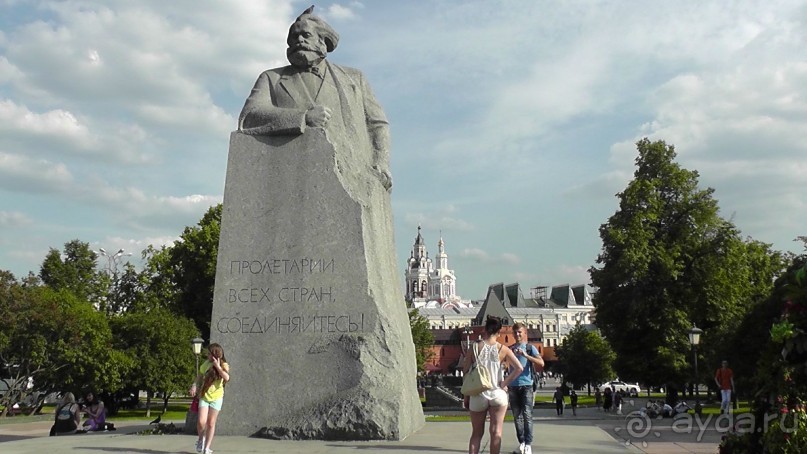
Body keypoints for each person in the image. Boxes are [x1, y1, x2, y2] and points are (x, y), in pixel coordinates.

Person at [238, 6, 392, 192]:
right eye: (293, 38)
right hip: (291, 179)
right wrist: (303, 117)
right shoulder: (271, 78)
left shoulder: (354, 79)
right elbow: (249, 116)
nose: (298, 40)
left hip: (353, 178)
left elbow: (376, 124)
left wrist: (381, 161)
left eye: (305, 35)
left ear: (322, 43)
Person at [463, 316, 523, 454]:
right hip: (497, 393)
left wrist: (466, 396)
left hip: (478, 393)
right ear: (499, 331)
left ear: (485, 329)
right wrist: (504, 383)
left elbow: (465, 372)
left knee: (476, 434)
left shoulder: (474, 347)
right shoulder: (503, 349)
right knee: (496, 433)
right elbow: (519, 368)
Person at [507, 322, 544, 454]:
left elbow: (541, 362)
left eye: (520, 332)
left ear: (524, 333)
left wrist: (525, 355)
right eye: (515, 332)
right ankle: (521, 442)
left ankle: (528, 444)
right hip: (513, 386)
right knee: (517, 416)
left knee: (527, 415)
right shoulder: (510, 349)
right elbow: (504, 365)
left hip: (526, 385)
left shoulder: (529, 348)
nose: (517, 334)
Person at [191, 343, 230, 454]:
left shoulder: (224, 365)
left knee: (211, 423)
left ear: (214, 354)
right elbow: (199, 377)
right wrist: (194, 385)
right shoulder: (206, 364)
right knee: (201, 422)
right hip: (204, 396)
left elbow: (227, 377)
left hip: (217, 398)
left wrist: (217, 366)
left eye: (209, 353)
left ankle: (207, 448)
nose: (207, 355)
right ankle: (200, 440)